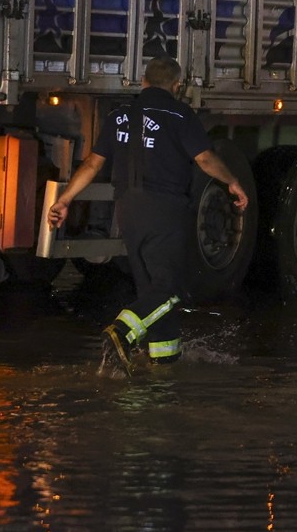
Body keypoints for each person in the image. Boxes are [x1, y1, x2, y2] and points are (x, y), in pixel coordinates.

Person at [47, 57, 249, 374]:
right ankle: (122, 332)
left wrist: (65, 199)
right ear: (177, 86)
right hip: (164, 210)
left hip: (127, 211)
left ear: (143, 82)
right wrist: (233, 181)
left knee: (152, 291)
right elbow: (206, 159)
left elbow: (92, 165)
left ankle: (163, 362)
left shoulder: (119, 116)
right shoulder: (180, 114)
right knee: (171, 290)